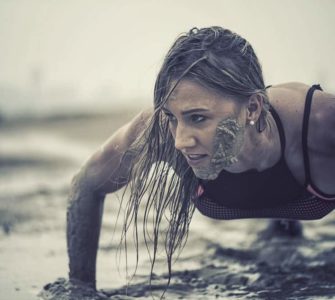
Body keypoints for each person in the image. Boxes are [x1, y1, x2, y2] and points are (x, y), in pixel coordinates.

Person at [66, 26, 335, 292]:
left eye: (198, 118)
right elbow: (86, 184)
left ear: (252, 108)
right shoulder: (158, 131)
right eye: (172, 117)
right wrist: (81, 288)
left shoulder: (324, 126)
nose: (180, 141)